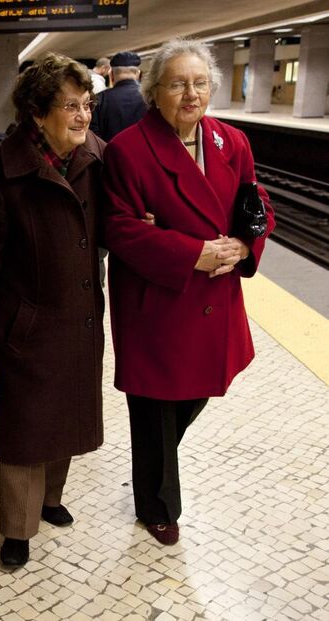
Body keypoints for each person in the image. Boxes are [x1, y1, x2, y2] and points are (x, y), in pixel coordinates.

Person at [101, 38, 275, 546]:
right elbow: (120, 227)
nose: (191, 93)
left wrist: (244, 245)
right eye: (178, 83)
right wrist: (189, 253)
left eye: (200, 83)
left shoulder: (231, 142)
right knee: (155, 405)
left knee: (192, 394)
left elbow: (253, 199)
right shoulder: (130, 150)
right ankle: (156, 506)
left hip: (213, 299)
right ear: (155, 92)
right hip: (158, 299)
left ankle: (152, 467)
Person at [0, 53, 106, 569]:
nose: (83, 116)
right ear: (39, 112)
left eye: (87, 105)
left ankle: (50, 500)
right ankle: (17, 529)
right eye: (72, 106)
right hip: (25, 317)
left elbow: (114, 226)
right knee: (25, 427)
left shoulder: (97, 156)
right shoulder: (2, 170)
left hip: (81, 312)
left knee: (64, 414)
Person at [91, 51, 148, 143]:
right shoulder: (150, 97)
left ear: (112, 75)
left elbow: (94, 136)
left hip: (111, 155)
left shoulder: (99, 99)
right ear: (138, 74)